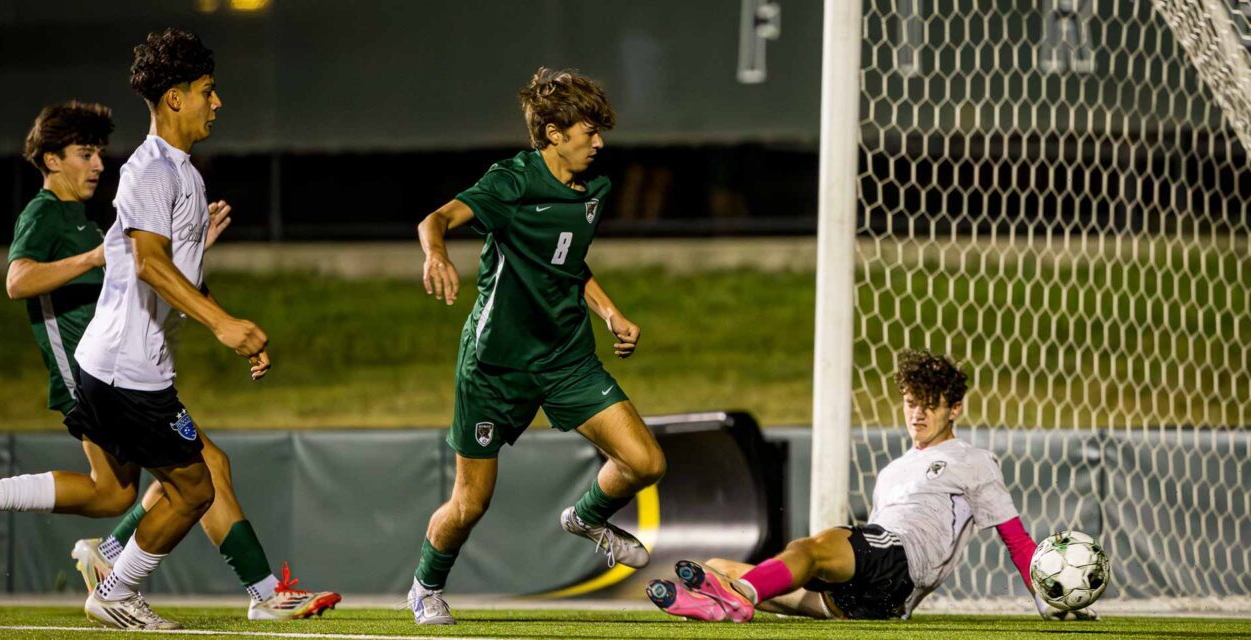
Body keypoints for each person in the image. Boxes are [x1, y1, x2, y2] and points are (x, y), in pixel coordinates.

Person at [0, 29, 334, 629]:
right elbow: (147, 263)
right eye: (207, 91)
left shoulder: (182, 175)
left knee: (147, 486)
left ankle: (118, 559)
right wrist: (223, 326)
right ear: (175, 98)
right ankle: (120, 586)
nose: (216, 103)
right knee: (196, 484)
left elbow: (166, 269)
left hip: (127, 368)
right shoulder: (149, 169)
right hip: (125, 371)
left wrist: (230, 319)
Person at [407, 67, 667, 625]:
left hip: (565, 355)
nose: (599, 143)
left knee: (645, 461)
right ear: (552, 133)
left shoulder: (594, 189)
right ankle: (426, 586)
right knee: (471, 502)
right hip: (496, 364)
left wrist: (610, 312)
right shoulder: (512, 182)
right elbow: (436, 219)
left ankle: (586, 518)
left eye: (600, 131)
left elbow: (566, 261)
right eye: (587, 131)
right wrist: (435, 254)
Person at [647, 349, 1100, 623]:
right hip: (872, 605)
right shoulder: (891, 472)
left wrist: (1045, 597)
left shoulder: (974, 461)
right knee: (716, 565)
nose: (917, 415)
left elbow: (1016, 539)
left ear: (955, 408)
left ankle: (740, 598)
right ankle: (723, 601)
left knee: (811, 547)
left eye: (929, 405)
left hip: (900, 561)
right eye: (910, 404)